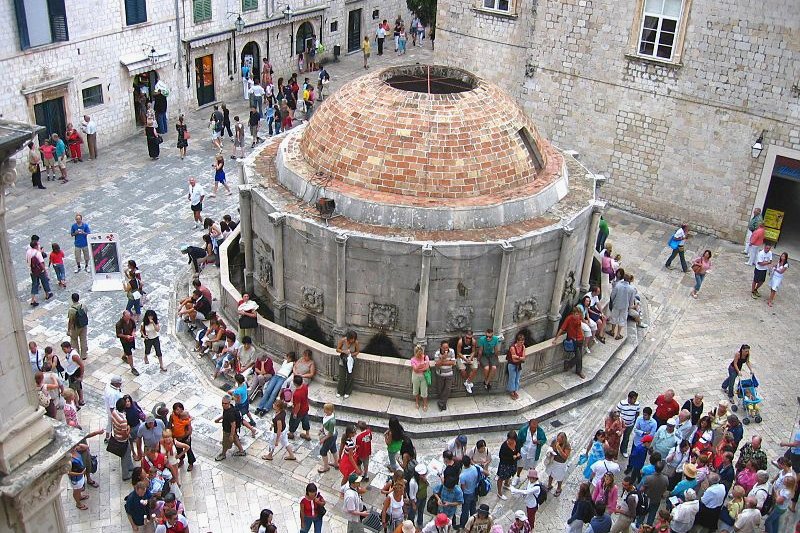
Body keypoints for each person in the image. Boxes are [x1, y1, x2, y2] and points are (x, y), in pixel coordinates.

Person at [553, 307, 586, 378]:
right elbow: (562, 328)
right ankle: (577, 370)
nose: (577, 316)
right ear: (573, 314)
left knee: (579, 355)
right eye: (576, 314)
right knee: (579, 356)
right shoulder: (569, 318)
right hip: (573, 340)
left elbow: (581, 324)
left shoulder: (579, 317)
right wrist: (556, 339)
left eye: (578, 314)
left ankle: (570, 364)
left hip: (580, 339)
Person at [214, 395, 246, 460]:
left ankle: (223, 454)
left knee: (225, 443)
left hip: (228, 431)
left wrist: (231, 435)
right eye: (222, 403)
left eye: (225, 403)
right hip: (231, 430)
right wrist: (218, 419)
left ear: (229, 403)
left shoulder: (230, 413)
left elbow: (233, 425)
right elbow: (225, 415)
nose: (223, 404)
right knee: (236, 439)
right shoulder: (229, 407)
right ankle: (241, 451)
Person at [170, 402, 196, 472]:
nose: (177, 411)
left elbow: (189, 428)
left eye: (179, 410)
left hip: (185, 437)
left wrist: (187, 436)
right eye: (176, 410)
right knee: (179, 449)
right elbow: (170, 424)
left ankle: (191, 463)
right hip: (176, 437)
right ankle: (181, 460)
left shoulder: (185, 417)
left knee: (188, 450)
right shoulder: (173, 416)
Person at [545, 431, 571, 496]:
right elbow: (551, 446)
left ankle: (559, 488)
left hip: (560, 463)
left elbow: (565, 457)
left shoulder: (567, 445)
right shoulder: (554, 441)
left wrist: (559, 449)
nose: (558, 441)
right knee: (550, 473)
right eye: (557, 439)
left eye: (560, 440)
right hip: (553, 460)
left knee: (559, 477)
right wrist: (550, 451)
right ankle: (549, 485)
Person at [497, 430, 520, 500]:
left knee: (509, 474)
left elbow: (518, 450)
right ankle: (499, 493)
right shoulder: (504, 446)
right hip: (504, 465)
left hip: (512, 464)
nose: (511, 441)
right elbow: (501, 456)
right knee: (501, 478)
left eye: (513, 440)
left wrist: (518, 454)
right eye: (510, 439)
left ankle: (506, 484)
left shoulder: (516, 443)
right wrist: (512, 457)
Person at [336, 330, 359, 399]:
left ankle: (348, 391)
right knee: (342, 376)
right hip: (343, 360)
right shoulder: (343, 340)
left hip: (351, 361)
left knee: (350, 376)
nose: (352, 340)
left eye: (354, 339)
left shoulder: (356, 343)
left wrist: (351, 354)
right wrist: (344, 351)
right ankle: (340, 391)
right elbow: (337, 349)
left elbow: (357, 351)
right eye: (352, 339)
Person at [434, 340, 456, 411]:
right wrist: (443, 358)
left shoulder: (452, 351)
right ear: (441, 347)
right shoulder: (437, 353)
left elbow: (453, 363)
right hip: (440, 373)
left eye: (447, 347)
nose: (446, 349)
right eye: (444, 348)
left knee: (448, 388)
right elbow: (437, 364)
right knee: (440, 388)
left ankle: (442, 403)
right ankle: (442, 403)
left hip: (449, 373)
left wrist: (442, 362)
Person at [61, 341, 84, 406]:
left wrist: (81, 376)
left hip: (75, 373)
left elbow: (82, 365)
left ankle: (77, 403)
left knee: (73, 389)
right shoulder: (69, 353)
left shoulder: (74, 356)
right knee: (78, 387)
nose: (63, 351)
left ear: (68, 348)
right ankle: (80, 400)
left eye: (64, 349)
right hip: (70, 372)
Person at [288, 375, 311, 441]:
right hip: (305, 408)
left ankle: (291, 433)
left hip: (299, 411)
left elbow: (298, 405)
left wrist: (295, 413)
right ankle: (307, 434)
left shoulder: (297, 394)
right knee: (306, 421)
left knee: (293, 422)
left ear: (295, 383)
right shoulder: (305, 386)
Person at [116, 310, 139, 375]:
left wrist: (133, 332)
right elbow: (118, 334)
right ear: (124, 316)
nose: (129, 318)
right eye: (127, 317)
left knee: (129, 349)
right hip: (124, 341)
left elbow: (134, 327)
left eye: (129, 316)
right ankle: (132, 368)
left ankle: (124, 356)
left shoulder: (131, 320)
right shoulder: (119, 324)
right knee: (130, 354)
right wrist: (126, 336)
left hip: (131, 338)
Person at [318, 403, 338, 473]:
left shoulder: (332, 421)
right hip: (332, 434)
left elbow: (330, 433)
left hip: (331, 436)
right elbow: (325, 424)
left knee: (323, 451)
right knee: (333, 448)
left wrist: (323, 439)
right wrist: (322, 429)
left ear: (330, 411)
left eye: (325, 409)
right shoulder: (328, 415)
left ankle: (326, 467)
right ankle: (336, 463)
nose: (324, 410)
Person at [507, 332, 527, 400]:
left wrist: (517, 357)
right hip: (512, 365)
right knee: (512, 378)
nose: (521, 343)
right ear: (517, 341)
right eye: (520, 342)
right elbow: (513, 360)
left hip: (518, 365)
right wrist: (520, 358)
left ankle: (515, 390)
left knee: (517, 379)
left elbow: (524, 358)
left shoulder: (523, 347)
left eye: (522, 342)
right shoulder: (512, 348)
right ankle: (512, 392)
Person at [409, 344, 430, 410]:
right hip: (415, 376)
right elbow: (415, 369)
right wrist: (420, 365)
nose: (420, 355)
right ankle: (417, 402)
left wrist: (418, 369)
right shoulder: (412, 359)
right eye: (418, 354)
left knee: (424, 391)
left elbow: (426, 368)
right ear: (416, 353)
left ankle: (425, 403)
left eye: (421, 354)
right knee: (415, 389)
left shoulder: (426, 357)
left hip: (424, 376)